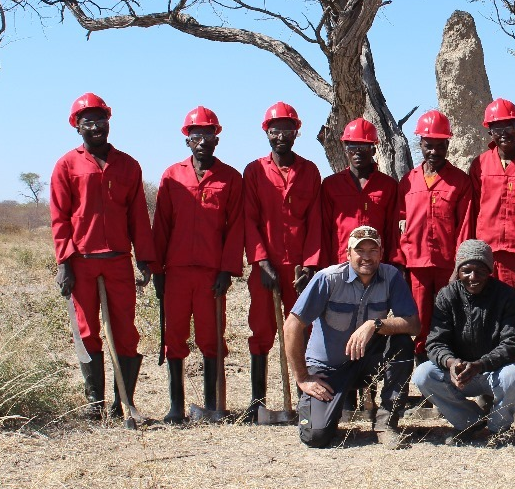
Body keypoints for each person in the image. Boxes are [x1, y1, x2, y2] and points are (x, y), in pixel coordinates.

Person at [50, 93, 155, 419]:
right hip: (81, 261)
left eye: (101, 120)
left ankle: (124, 403)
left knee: (126, 332)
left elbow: (138, 216)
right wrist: (64, 262)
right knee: (86, 331)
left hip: (118, 260)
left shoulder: (128, 165)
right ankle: (94, 404)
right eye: (88, 122)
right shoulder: (66, 165)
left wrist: (144, 258)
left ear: (109, 122)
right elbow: (59, 217)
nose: (96, 126)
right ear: (77, 127)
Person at [284, 225, 419, 449]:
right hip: (328, 369)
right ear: (348, 254)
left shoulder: (391, 277)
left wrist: (375, 324)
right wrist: (302, 377)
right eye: (360, 250)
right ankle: (318, 410)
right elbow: (292, 326)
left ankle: (386, 425)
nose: (367, 257)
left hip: (367, 363)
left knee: (402, 343)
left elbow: (413, 324)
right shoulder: (327, 279)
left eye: (372, 250)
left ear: (381, 253)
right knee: (316, 437)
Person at [152, 107, 244, 423]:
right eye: (196, 135)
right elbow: (161, 225)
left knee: (211, 337)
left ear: (217, 139)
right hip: (176, 271)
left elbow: (236, 228)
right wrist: (157, 271)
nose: (202, 140)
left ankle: (212, 406)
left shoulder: (230, 178)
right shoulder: (172, 175)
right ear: (187, 140)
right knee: (174, 337)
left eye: (208, 134)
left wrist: (227, 270)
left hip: (210, 273)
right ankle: (176, 407)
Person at [242, 102, 323, 422]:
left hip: (300, 270)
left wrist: (310, 265)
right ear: (266, 132)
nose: (281, 136)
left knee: (303, 330)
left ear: (296, 133)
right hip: (266, 267)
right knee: (261, 330)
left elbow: (315, 221)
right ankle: (257, 402)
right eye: (275, 130)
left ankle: (305, 399)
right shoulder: (254, 171)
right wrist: (261, 261)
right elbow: (249, 219)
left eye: (288, 130)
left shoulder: (310, 171)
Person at [468, 98, 515, 422]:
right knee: (485, 323)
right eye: (497, 127)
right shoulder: (479, 165)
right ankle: (488, 395)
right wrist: (469, 259)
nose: (503, 132)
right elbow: (472, 212)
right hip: (486, 259)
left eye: (509, 126)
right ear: (489, 131)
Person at [412, 239, 515, 446]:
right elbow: (435, 343)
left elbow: (512, 344)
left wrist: (480, 365)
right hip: (458, 374)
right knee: (423, 374)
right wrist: (451, 363)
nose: (473, 278)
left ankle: (498, 428)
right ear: (458, 271)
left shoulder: (506, 296)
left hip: (492, 371)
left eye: (480, 271)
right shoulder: (447, 296)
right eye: (466, 271)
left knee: (514, 376)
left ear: (490, 271)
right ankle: (469, 422)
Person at [396, 110, 473, 359]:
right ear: (420, 144)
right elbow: (399, 225)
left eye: (440, 146)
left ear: (447, 145)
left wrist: (459, 267)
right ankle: (423, 376)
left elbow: (465, 227)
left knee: (449, 321)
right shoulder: (408, 182)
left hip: (447, 266)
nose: (434, 152)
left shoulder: (460, 182)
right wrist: (401, 263)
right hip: (416, 266)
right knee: (419, 323)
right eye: (429, 146)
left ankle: (447, 374)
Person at [321, 118, 400, 265]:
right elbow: (324, 230)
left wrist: (394, 264)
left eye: (363, 147)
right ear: (346, 149)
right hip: (340, 263)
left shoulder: (388, 186)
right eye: (352, 147)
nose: (357, 153)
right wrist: (323, 267)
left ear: (373, 150)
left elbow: (392, 231)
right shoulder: (331, 185)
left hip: (375, 264)